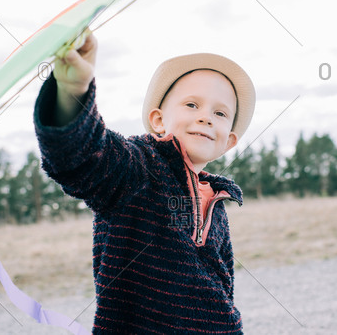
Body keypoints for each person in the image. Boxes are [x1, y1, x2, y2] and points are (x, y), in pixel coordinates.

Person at [33, 29, 256, 334]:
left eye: (219, 112)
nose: (206, 117)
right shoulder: (138, 167)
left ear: (228, 141)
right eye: (192, 105)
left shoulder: (217, 201)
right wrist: (73, 91)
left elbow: (224, 287)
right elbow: (83, 158)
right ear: (159, 120)